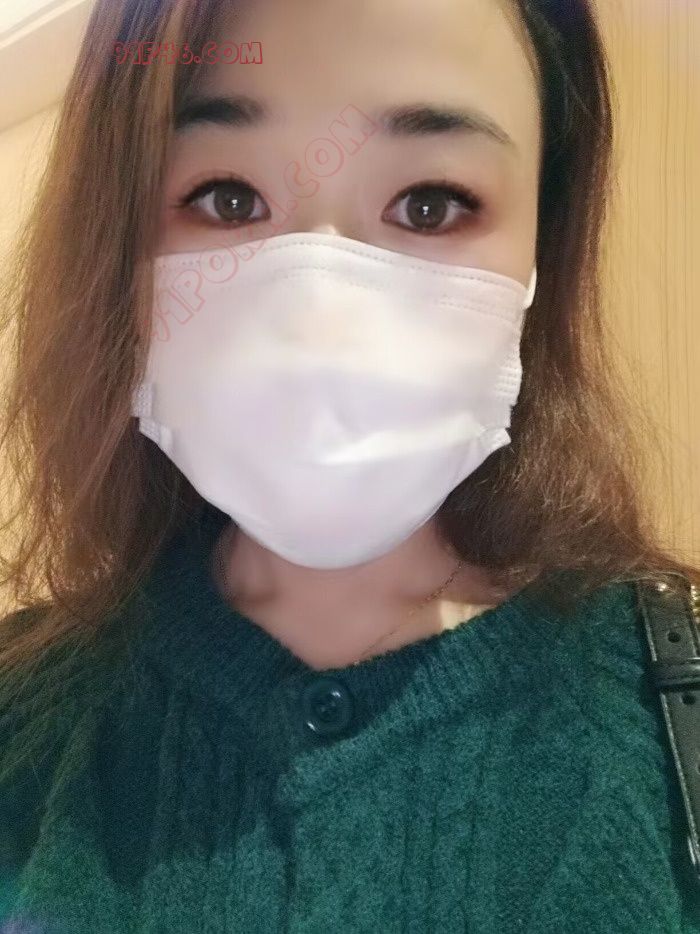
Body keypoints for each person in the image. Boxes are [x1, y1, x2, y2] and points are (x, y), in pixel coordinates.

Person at [0, 0, 699, 930]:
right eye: (227, 197)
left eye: (430, 204)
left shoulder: (668, 707)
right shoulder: (24, 709)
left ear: (543, 247)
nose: (320, 317)